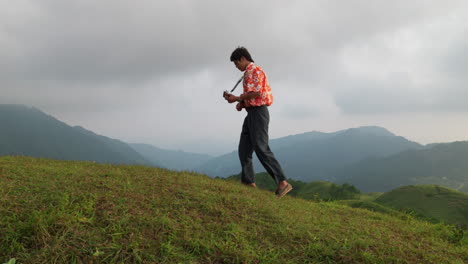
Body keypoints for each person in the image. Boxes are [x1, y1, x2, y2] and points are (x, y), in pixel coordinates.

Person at [223, 46, 292, 198]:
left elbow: (257, 93)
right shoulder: (248, 72)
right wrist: (240, 104)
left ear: (242, 58)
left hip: (259, 113)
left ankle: (282, 183)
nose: (236, 67)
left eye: (236, 63)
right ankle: (248, 183)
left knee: (261, 148)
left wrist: (237, 98)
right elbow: (252, 96)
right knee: (244, 149)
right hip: (252, 113)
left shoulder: (254, 70)